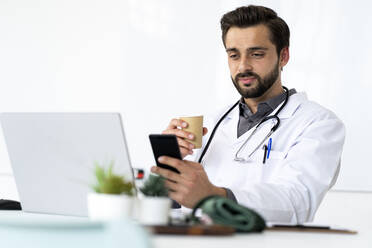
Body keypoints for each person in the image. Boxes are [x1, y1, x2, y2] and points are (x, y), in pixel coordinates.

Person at [151, 5, 345, 224]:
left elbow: (297, 203)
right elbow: (176, 208)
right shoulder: (213, 123)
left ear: (283, 56)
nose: (243, 66)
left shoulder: (318, 124)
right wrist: (170, 162)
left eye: (256, 54)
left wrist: (214, 196)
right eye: (234, 55)